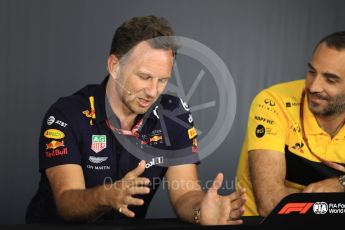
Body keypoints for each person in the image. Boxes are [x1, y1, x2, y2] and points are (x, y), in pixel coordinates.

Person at [26, 15, 246, 225]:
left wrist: (201, 212)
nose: (152, 92)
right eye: (144, 77)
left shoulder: (174, 114)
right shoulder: (67, 114)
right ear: (114, 66)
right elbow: (67, 203)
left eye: (163, 80)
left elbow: (185, 194)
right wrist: (107, 195)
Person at [236, 31, 345, 217]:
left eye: (330, 80)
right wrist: (333, 204)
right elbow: (271, 203)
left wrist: (341, 184)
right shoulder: (273, 101)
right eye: (312, 72)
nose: (313, 87)